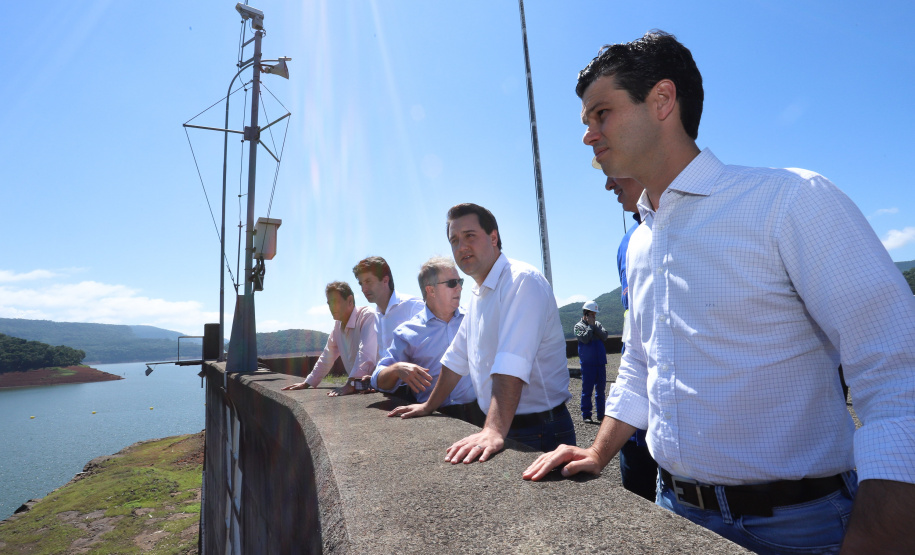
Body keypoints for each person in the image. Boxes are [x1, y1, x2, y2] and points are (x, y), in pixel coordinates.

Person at [523, 30, 915, 554]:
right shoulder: (641, 241)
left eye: (601, 114)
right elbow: (640, 363)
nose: (588, 135)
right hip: (673, 512)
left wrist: (880, 536)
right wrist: (598, 452)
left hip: (802, 526)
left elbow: (897, 372)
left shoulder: (790, 200)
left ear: (662, 100)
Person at [390, 203, 575, 464]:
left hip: (539, 429)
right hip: (509, 425)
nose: (461, 246)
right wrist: (428, 406)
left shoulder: (521, 281)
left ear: (493, 237)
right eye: (454, 240)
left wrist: (493, 429)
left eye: (470, 236)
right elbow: (456, 359)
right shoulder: (479, 293)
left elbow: (512, 363)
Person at [371, 256, 479, 423]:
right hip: (433, 420)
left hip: (478, 416)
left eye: (460, 282)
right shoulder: (407, 332)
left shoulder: (474, 319)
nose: (459, 288)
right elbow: (377, 380)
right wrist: (397, 369)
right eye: (452, 283)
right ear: (431, 290)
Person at [608, 176, 659, 503]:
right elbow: (635, 345)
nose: (609, 185)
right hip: (637, 433)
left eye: (614, 169)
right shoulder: (629, 243)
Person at [282, 281, 378, 396]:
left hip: (385, 387)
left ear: (350, 301)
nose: (331, 307)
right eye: (329, 303)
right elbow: (327, 356)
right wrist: (307, 382)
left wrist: (351, 384)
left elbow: (366, 353)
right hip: (364, 386)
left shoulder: (368, 316)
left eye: (336, 302)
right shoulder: (338, 325)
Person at [352, 256, 424, 359]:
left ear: (385, 280)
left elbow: (432, 349)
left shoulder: (413, 306)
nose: (363, 289)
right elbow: (383, 357)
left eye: (368, 282)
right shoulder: (376, 315)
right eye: (361, 284)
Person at [573, 300, 608, 424]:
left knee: (601, 390)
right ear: (585, 314)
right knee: (587, 390)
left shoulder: (598, 324)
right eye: (592, 315)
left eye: (595, 315)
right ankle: (586, 415)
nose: (594, 317)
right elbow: (585, 339)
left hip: (600, 362)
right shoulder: (578, 327)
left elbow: (604, 336)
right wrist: (590, 327)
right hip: (588, 364)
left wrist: (594, 326)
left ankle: (601, 414)